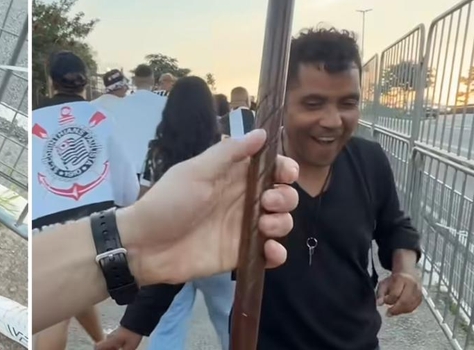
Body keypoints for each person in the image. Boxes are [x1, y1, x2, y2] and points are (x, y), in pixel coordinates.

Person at [101, 27, 423, 350]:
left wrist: (404, 270)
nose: (333, 120)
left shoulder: (370, 160)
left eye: (347, 103)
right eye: (313, 104)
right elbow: (189, 247)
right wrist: (134, 325)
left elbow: (396, 227)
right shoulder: (247, 168)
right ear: (282, 102)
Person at [33, 129, 301, 334]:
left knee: (170, 326)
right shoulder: (217, 141)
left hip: (187, 254)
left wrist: (136, 236)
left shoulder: (158, 148)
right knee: (225, 319)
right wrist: (138, 240)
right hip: (204, 255)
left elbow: (140, 194)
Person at [31, 51, 139, 350]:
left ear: (51, 82)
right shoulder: (101, 118)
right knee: (62, 309)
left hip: (45, 231)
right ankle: (103, 341)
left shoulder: (33, 121)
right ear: (84, 83)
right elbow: (128, 190)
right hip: (96, 231)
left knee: (69, 298)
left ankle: (101, 341)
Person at [125, 76, 234, 350]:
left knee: (167, 329)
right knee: (230, 326)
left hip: (169, 252)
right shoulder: (225, 148)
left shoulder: (157, 152)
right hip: (216, 252)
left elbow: (144, 205)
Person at [103, 64, 166, 181]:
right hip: (155, 169)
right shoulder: (165, 103)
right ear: (152, 80)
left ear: (134, 81)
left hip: (128, 171)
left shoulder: (119, 105)